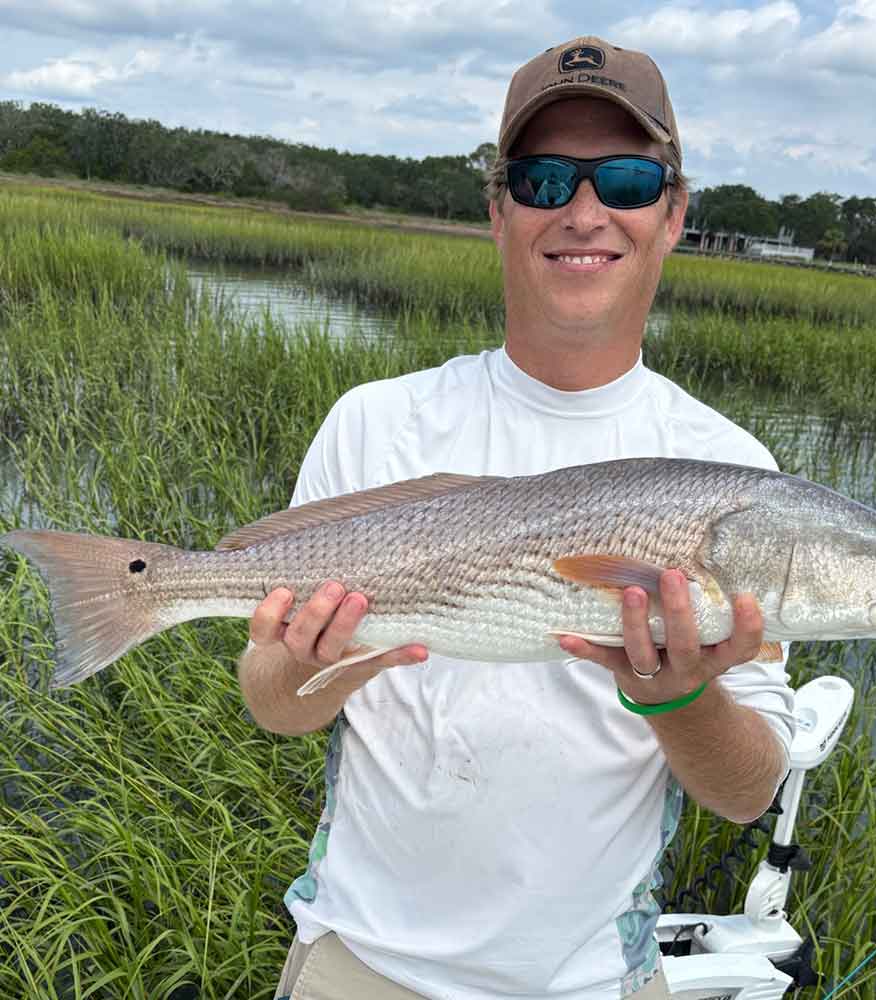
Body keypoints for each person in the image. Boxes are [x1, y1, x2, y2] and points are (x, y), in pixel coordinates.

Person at [241, 35, 796, 1000]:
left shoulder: (735, 474)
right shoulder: (375, 423)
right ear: (497, 210)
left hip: (591, 980)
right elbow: (274, 706)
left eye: (626, 178)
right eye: (542, 179)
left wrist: (676, 697)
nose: (585, 212)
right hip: (357, 962)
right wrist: (304, 660)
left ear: (673, 214)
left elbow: (748, 791)